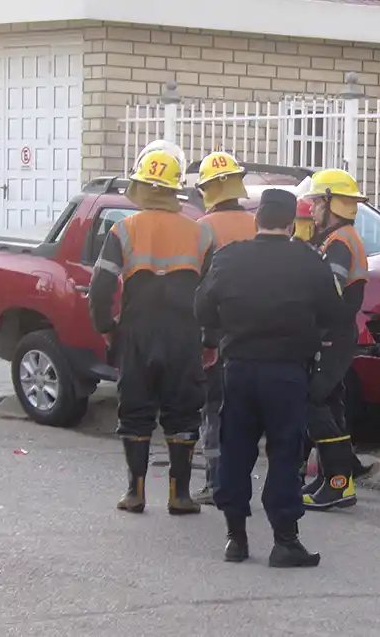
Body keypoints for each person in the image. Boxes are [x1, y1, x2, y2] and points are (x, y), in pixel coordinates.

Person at [195, 188, 343, 567]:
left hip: (239, 368)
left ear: (257, 220)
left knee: (236, 449)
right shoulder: (309, 262)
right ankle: (284, 541)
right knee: (284, 453)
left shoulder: (229, 258)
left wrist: (224, 331)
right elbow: (332, 313)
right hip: (287, 372)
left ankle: (235, 539)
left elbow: (202, 308)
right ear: (292, 223)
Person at [89, 144, 215, 516]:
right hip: (184, 334)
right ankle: (180, 495)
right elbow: (212, 294)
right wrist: (210, 339)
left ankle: (135, 493)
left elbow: (100, 288)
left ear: (142, 186)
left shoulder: (122, 230)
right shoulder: (201, 235)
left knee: (135, 410)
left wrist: (107, 328)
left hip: (137, 332)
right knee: (183, 411)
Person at [300, 168, 379, 511]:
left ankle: (338, 484)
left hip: (332, 335)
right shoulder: (339, 238)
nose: (313, 209)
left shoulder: (339, 243)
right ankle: (332, 479)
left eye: (317, 202)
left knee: (314, 403)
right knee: (330, 405)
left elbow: (328, 294)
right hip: (336, 333)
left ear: (330, 203)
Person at [192, 150, 257, 506]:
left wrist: (206, 339)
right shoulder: (256, 224)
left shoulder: (203, 228)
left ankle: (216, 483)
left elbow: (201, 289)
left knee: (214, 408)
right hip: (256, 333)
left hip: (220, 336)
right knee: (243, 411)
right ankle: (239, 481)